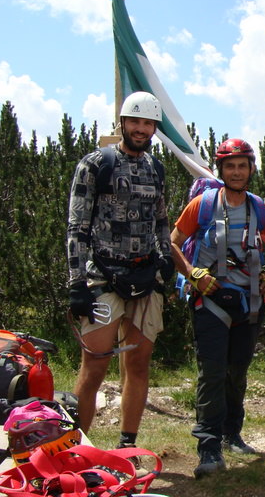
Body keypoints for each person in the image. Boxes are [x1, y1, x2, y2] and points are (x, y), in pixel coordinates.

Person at [170, 138, 265, 479]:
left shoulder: (259, 209)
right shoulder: (202, 206)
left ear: (251, 169)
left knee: (237, 370)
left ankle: (231, 433)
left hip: (249, 303)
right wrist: (192, 273)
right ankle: (208, 446)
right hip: (209, 300)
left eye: (242, 165)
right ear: (220, 169)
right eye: (230, 166)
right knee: (211, 371)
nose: (236, 172)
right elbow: (172, 242)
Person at [66, 91, 175, 449]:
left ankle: (127, 446)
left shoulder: (155, 168)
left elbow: (160, 219)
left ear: (154, 128)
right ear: (123, 122)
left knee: (139, 365)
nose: (141, 129)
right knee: (94, 365)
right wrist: (76, 283)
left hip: (145, 275)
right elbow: (77, 227)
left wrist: (165, 259)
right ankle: (77, 449)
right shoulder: (96, 164)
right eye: (136, 121)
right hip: (103, 276)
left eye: (148, 123)